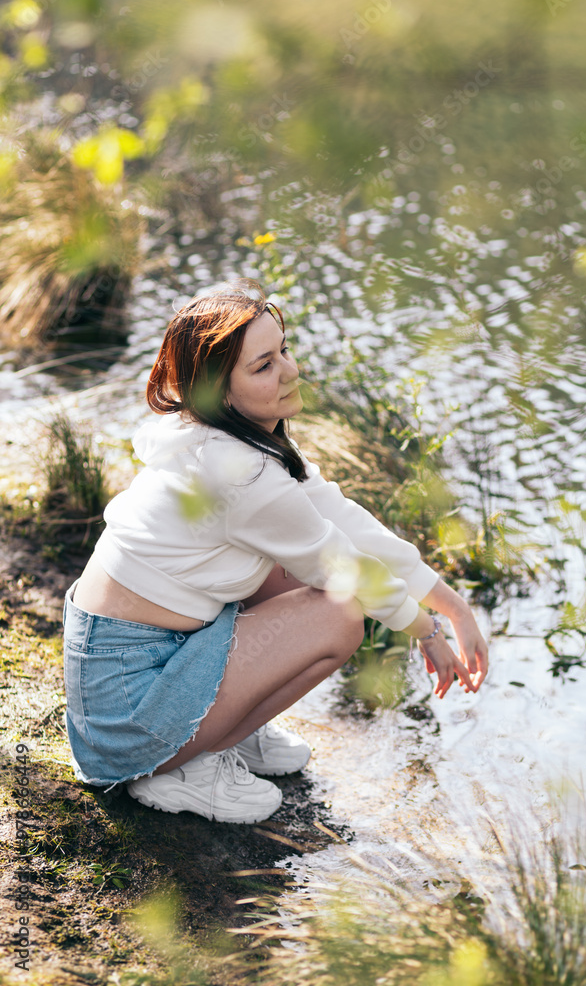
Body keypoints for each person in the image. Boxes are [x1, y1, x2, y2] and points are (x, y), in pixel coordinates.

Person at [63, 280, 488, 825]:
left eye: (282, 349)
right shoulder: (239, 474)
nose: (289, 370)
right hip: (126, 714)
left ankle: (221, 727)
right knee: (339, 614)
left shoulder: (234, 441)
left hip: (139, 670)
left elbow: (346, 522)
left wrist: (452, 605)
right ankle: (180, 765)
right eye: (263, 366)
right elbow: (344, 566)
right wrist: (426, 631)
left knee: (287, 574)